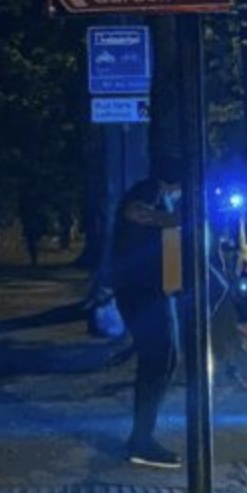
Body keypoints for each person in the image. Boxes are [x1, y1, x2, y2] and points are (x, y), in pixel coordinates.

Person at [111, 157, 184, 469]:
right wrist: (172, 220)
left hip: (152, 290)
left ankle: (142, 437)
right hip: (142, 291)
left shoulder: (161, 194)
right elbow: (134, 212)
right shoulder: (152, 189)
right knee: (158, 359)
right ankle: (141, 441)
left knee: (165, 358)